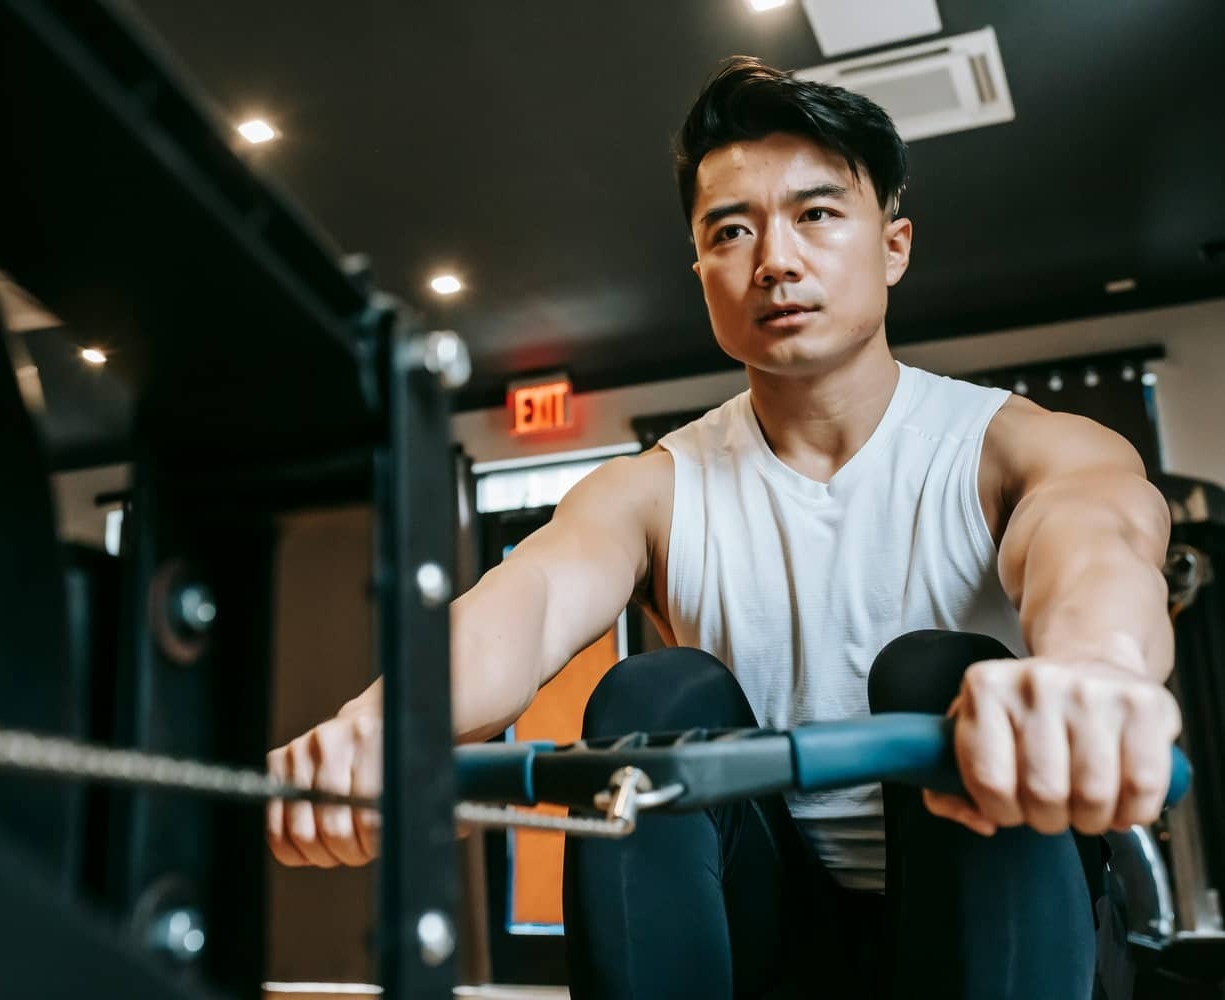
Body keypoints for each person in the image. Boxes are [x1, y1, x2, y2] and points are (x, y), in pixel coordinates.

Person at [266, 56, 1180, 999]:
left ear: (894, 245)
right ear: (701, 268)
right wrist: (378, 729)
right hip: (775, 932)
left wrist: (1095, 674)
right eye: (732, 230)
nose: (775, 259)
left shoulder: (1016, 446)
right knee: (656, 695)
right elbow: (528, 601)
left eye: (817, 214)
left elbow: (1098, 540)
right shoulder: (656, 488)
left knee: (938, 671)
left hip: (998, 908)